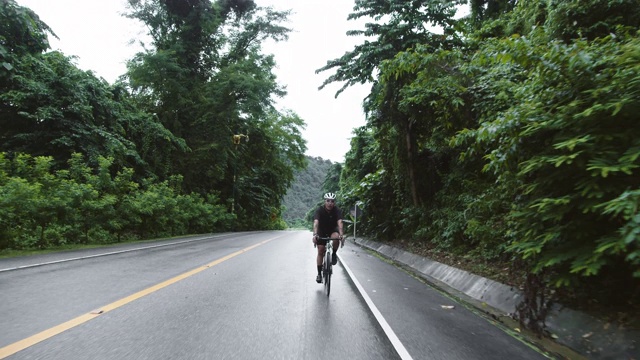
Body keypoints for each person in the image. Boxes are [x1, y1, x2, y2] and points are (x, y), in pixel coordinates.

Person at [312, 192, 344, 283]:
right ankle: (319, 274)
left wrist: (341, 235)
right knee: (320, 250)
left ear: (334, 203)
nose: (330, 203)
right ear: (324, 201)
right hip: (321, 231)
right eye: (328, 201)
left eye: (332, 201)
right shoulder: (319, 210)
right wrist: (315, 234)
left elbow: (340, 223)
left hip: (332, 230)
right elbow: (316, 222)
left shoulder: (337, 210)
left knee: (336, 237)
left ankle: (333, 254)